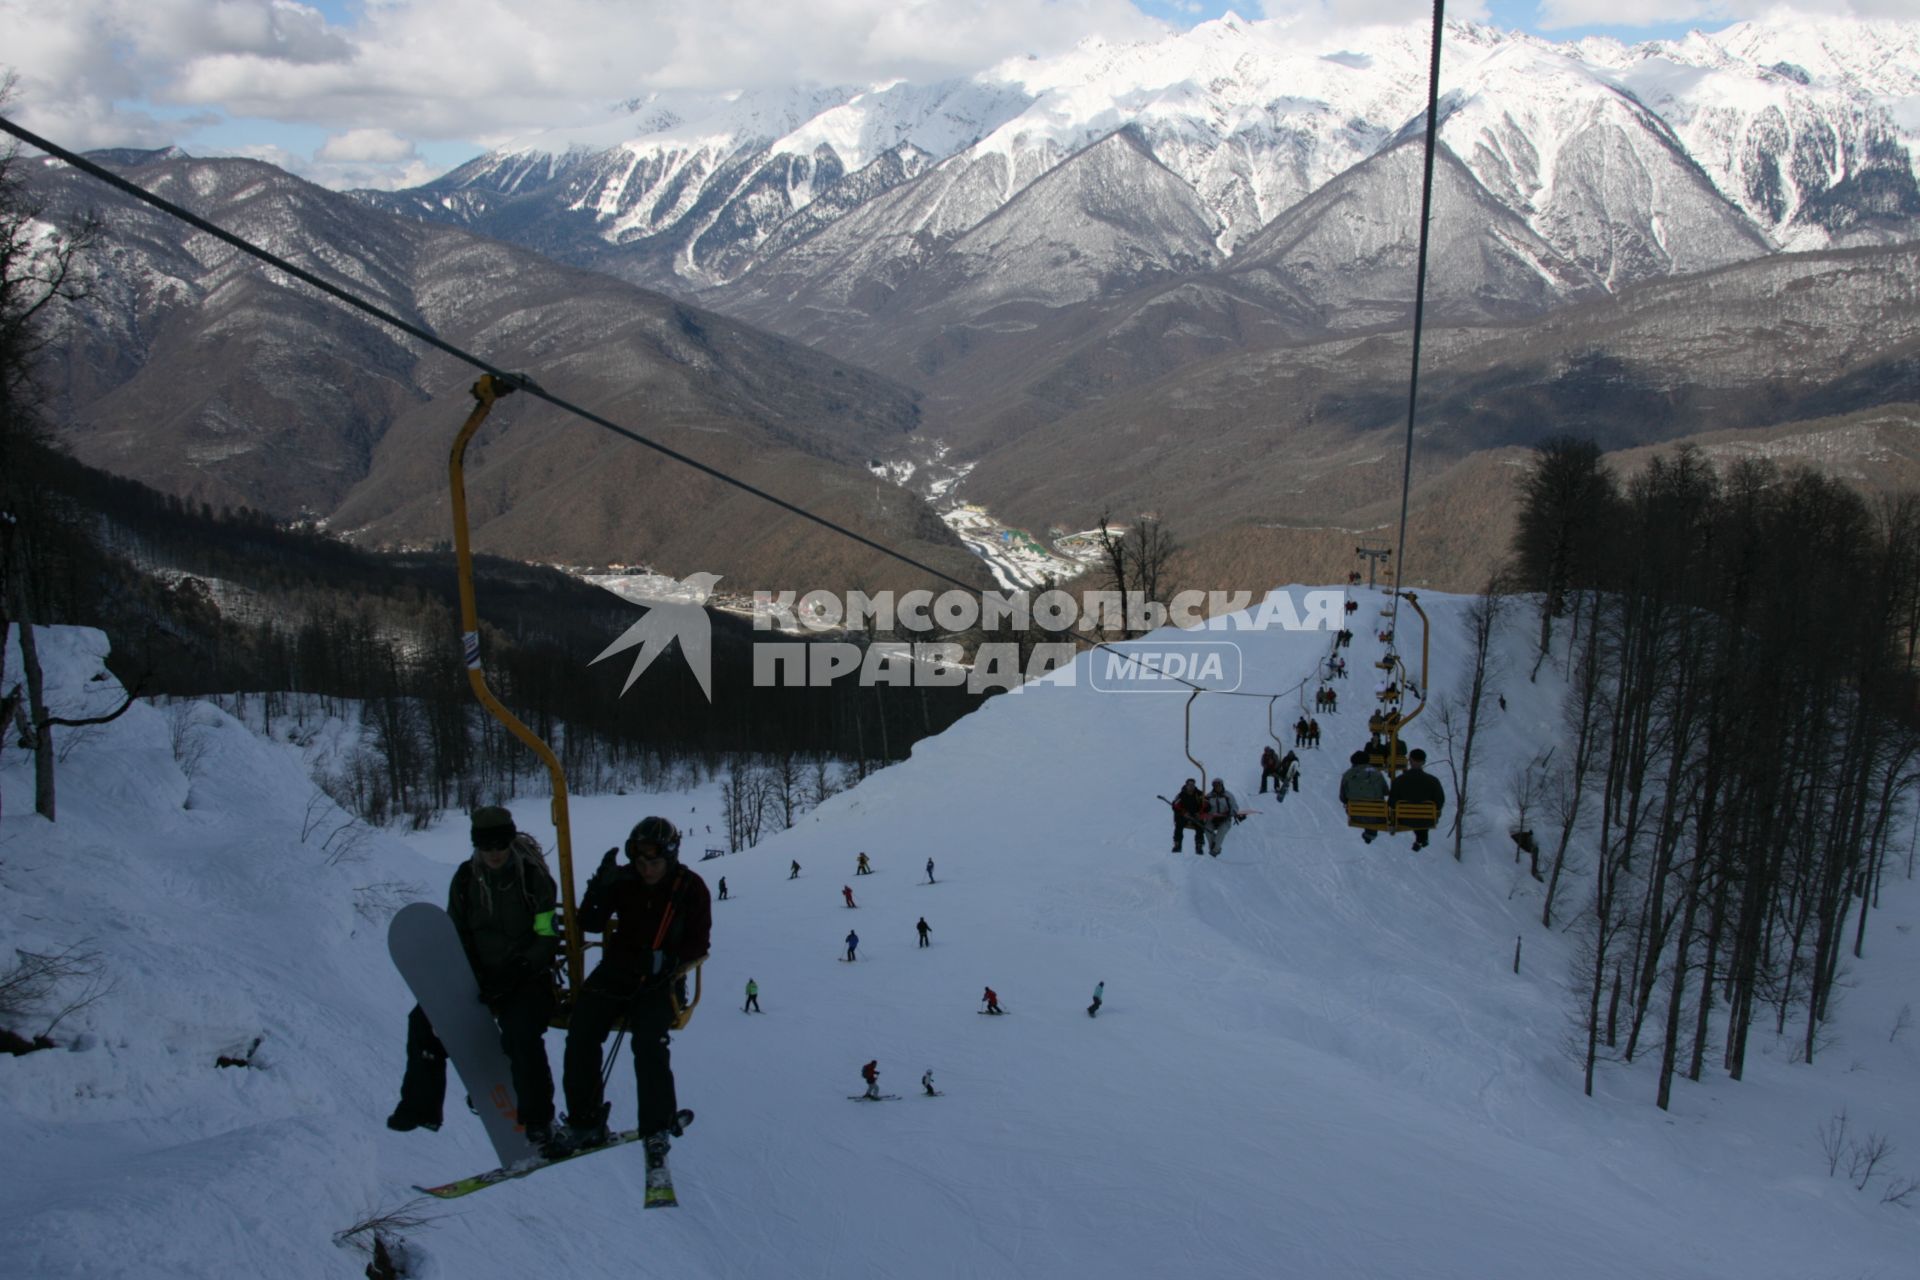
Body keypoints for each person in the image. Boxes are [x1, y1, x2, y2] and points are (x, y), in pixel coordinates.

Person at [389, 807, 559, 1143]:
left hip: (525, 977)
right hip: (479, 976)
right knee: (424, 1021)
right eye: (486, 846)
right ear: (477, 846)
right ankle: (421, 1106)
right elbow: (457, 931)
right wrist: (469, 972)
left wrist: (521, 967)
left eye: (500, 845)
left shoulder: (533, 879)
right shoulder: (466, 880)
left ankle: (537, 1118)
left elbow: (546, 933)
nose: (494, 853)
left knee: (520, 1033)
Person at [551, 816, 711, 1161]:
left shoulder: (689, 887)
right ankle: (584, 1120)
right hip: (617, 970)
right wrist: (600, 885)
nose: (647, 869)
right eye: (640, 862)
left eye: (653, 862)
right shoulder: (625, 882)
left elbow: (699, 943)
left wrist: (668, 962)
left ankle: (657, 1125)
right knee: (581, 1032)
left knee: (648, 1041)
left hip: (661, 981)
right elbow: (590, 923)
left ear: (669, 857)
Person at [1390, 748, 1447, 851]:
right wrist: (1436, 812)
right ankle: (1421, 838)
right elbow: (1440, 800)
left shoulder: (1399, 780)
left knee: (1415, 815)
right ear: (1424, 762)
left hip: (1403, 818)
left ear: (1409, 760)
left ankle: (1421, 839)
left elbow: (1392, 801)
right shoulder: (1433, 781)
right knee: (1422, 816)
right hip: (1426, 819)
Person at [1339, 750, 1388, 844]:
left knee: (1366, 811)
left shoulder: (1348, 774)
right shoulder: (1376, 773)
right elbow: (1385, 791)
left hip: (1356, 814)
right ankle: (1370, 833)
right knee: (1373, 811)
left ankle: (1370, 833)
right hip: (1377, 813)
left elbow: (1342, 797)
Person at [1203, 778, 1242, 857]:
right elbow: (1204, 808)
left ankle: (1215, 850)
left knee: (1222, 831)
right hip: (1212, 818)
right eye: (1215, 785)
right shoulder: (1209, 796)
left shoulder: (1228, 795)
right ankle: (1213, 846)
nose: (1217, 787)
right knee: (1207, 829)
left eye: (1219, 785)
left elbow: (1234, 806)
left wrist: (1233, 813)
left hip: (1224, 818)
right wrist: (1205, 809)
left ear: (1222, 785)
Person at [1171, 778, 1206, 853]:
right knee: (1179, 824)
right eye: (1189, 785)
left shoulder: (1199, 794)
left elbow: (1206, 806)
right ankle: (1177, 844)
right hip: (1184, 816)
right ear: (1186, 785)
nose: (1191, 787)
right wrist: (1183, 813)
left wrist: (1199, 813)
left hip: (1195, 815)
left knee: (1199, 825)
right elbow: (1175, 806)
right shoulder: (1181, 795)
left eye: (1192, 785)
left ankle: (1199, 845)